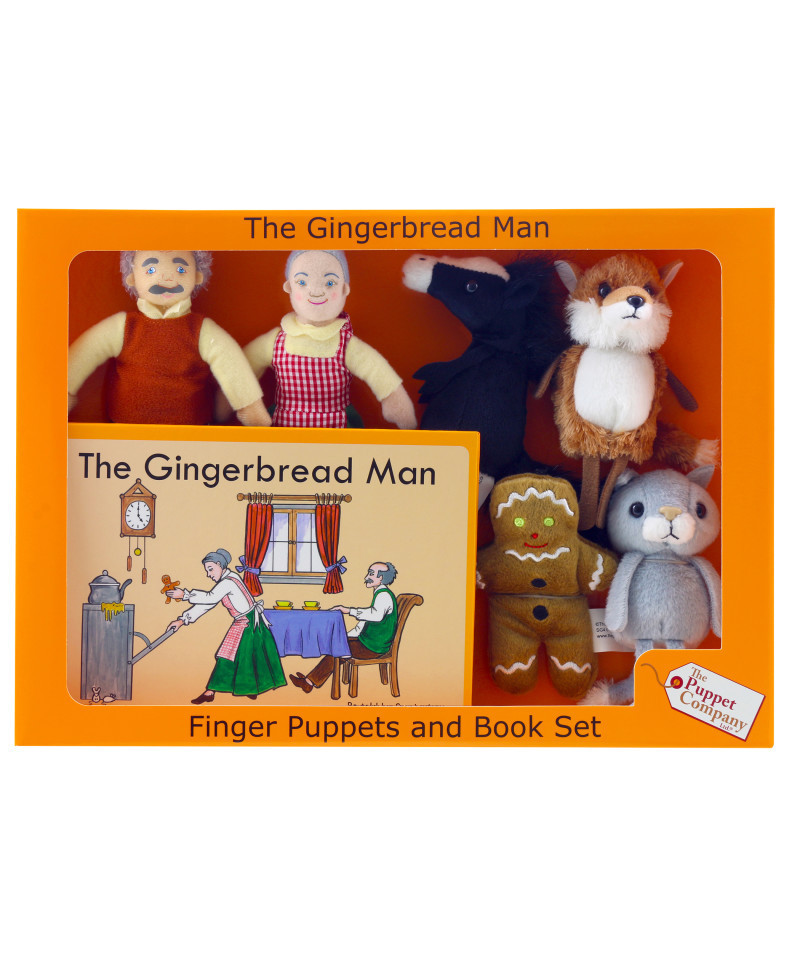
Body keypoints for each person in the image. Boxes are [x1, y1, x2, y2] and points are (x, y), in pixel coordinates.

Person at [68, 250, 270, 426]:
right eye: (150, 270)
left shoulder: (200, 330)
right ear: (132, 278)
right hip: (127, 429)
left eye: (181, 269)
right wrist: (65, 390)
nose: (166, 277)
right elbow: (86, 352)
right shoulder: (124, 326)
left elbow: (231, 364)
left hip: (190, 431)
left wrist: (249, 407)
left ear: (197, 276)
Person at [243, 250, 416, 429]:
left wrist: (393, 400)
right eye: (302, 282)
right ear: (289, 287)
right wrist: (241, 402)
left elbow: (376, 370)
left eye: (330, 283)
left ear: (344, 289)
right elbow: (242, 368)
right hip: (284, 426)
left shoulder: (346, 344)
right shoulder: (274, 341)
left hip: (336, 426)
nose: (316, 292)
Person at [166, 548, 286, 703]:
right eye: (207, 570)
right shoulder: (230, 577)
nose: (209, 574)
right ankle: (244, 688)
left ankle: (213, 692)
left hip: (248, 624)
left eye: (211, 569)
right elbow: (208, 604)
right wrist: (182, 620)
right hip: (249, 623)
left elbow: (210, 598)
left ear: (219, 564)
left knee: (231, 657)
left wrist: (185, 595)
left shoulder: (228, 582)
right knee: (243, 658)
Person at [290, 561, 399, 693]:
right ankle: (311, 679)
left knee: (338, 648)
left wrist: (348, 610)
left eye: (371, 574)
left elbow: (375, 615)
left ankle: (309, 682)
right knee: (338, 643)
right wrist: (347, 636)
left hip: (373, 647)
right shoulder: (381, 594)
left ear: (381, 577)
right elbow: (365, 621)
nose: (366, 577)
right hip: (370, 642)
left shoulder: (383, 595)